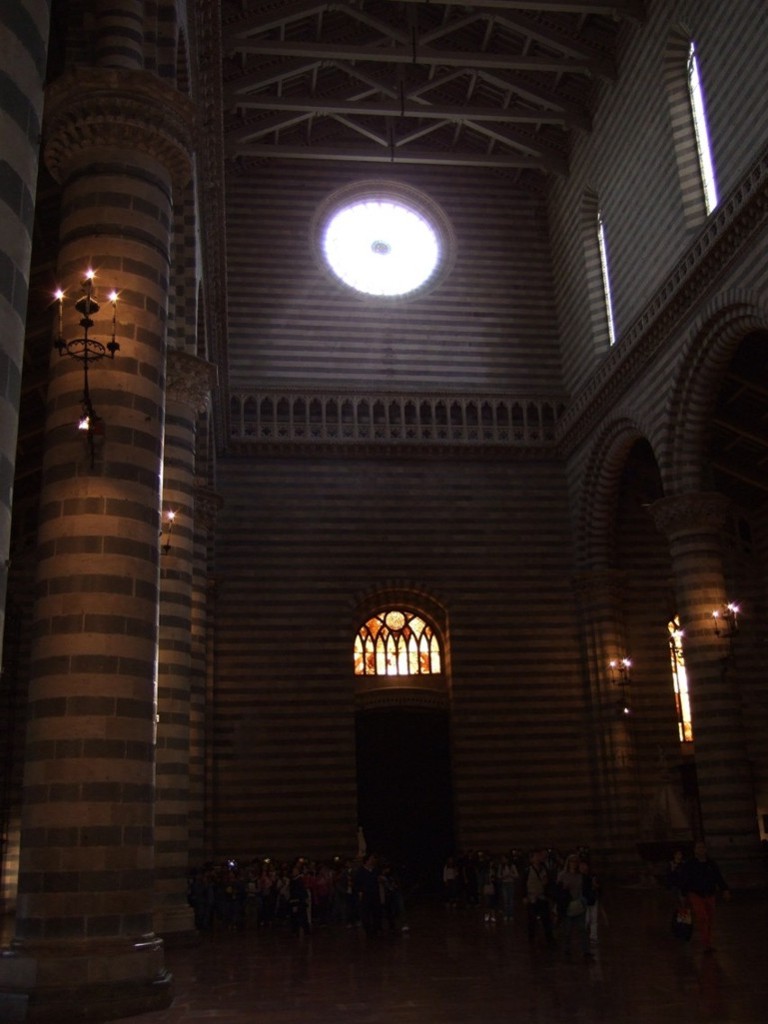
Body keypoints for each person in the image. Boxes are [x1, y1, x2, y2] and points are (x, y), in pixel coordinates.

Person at [679, 840, 730, 952]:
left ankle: (708, 941)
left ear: (706, 850)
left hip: (710, 893)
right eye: (698, 847)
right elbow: (684, 879)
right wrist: (683, 894)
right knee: (702, 917)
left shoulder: (711, 864)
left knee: (710, 919)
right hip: (696, 894)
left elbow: (718, 877)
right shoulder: (690, 864)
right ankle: (706, 943)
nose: (701, 850)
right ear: (695, 850)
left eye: (702, 847)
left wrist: (724, 889)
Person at [556, 852, 591, 958]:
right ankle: (566, 950)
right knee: (567, 930)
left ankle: (585, 951)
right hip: (567, 904)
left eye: (575, 862)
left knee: (582, 930)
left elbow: (585, 888)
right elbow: (557, 890)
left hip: (578, 903)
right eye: (572, 861)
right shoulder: (562, 875)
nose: (573, 864)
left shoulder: (580, 875)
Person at [524, 848, 555, 947]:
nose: (538, 858)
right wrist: (524, 896)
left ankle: (549, 939)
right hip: (532, 897)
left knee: (546, 919)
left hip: (542, 897)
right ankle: (531, 938)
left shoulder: (544, 869)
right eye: (536, 856)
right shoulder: (528, 870)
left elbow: (549, 882)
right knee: (531, 920)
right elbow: (523, 884)